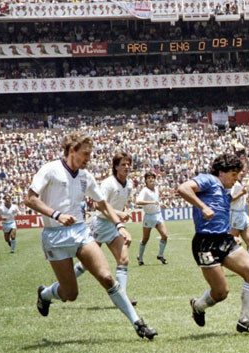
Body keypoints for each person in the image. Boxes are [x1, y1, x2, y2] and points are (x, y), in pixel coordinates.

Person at [26, 133, 156, 340]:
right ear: (72, 151)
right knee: (71, 294)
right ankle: (45, 294)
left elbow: (102, 204)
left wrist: (119, 225)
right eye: (85, 154)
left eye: (90, 154)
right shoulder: (50, 170)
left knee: (107, 277)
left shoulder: (86, 176)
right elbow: (30, 199)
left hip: (80, 231)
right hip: (54, 236)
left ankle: (138, 324)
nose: (88, 158)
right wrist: (57, 215)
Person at [177, 153, 249, 334]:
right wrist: (203, 207)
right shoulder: (209, 180)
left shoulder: (224, 190)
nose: (236, 178)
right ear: (221, 172)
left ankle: (245, 320)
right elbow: (183, 188)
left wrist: (232, 234)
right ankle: (198, 306)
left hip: (224, 239)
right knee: (221, 293)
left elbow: (221, 213)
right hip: (205, 243)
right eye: (233, 174)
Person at [73, 152, 137, 305]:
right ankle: (60, 285)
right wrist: (119, 214)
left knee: (123, 259)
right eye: (123, 164)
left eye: (128, 164)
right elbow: (97, 205)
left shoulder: (129, 185)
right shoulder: (108, 183)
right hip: (101, 224)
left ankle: (122, 297)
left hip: (114, 225)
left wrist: (119, 216)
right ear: (115, 167)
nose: (127, 167)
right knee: (86, 264)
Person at [136, 172, 168, 265]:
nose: (151, 179)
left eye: (152, 178)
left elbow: (156, 201)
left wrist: (161, 204)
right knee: (145, 239)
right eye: (149, 178)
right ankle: (140, 257)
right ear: (146, 180)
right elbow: (138, 202)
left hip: (158, 215)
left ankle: (160, 255)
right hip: (149, 216)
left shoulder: (156, 189)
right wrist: (152, 202)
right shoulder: (144, 190)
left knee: (165, 235)